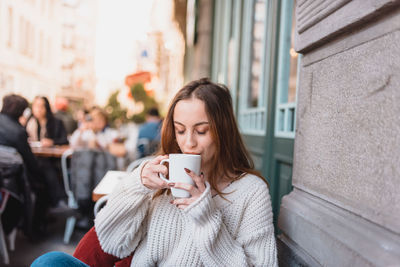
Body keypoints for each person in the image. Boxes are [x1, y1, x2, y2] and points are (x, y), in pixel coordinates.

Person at [31, 78, 278, 266]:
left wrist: (206, 217)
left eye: (201, 131)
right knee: (50, 262)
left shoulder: (251, 192)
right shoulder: (161, 177)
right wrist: (137, 185)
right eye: (180, 130)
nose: (188, 143)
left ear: (224, 131)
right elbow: (110, 241)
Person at [0, 94, 51, 237]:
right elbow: (31, 163)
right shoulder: (18, 131)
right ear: (21, 111)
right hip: (12, 187)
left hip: (3, 186)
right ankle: (35, 228)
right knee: (43, 185)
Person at [25, 96, 69, 209]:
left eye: (41, 106)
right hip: (34, 157)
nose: (38, 109)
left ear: (47, 108)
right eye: (36, 106)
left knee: (44, 165)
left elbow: (65, 140)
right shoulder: (29, 122)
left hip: (52, 160)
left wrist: (52, 142)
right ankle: (56, 200)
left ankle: (58, 199)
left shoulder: (56, 122)